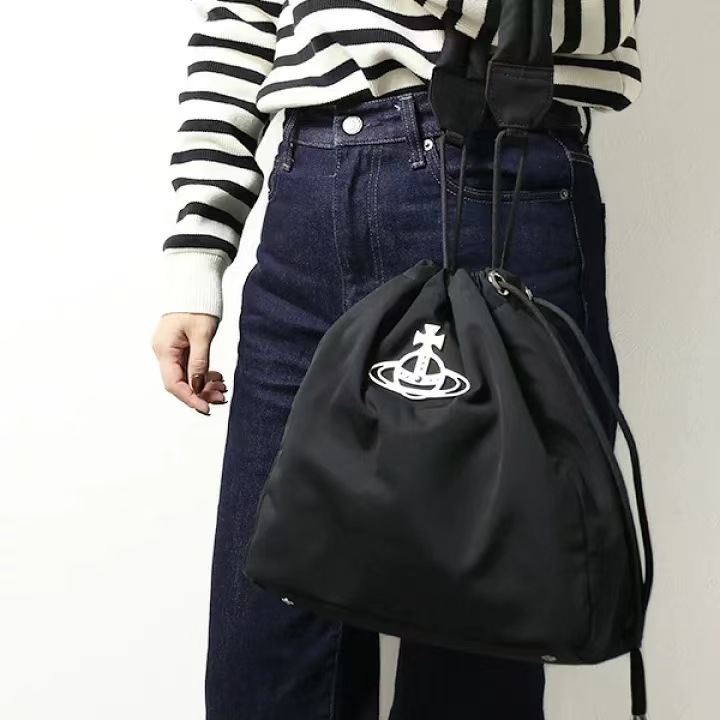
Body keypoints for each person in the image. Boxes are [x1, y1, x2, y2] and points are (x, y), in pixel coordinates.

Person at [151, 2, 643, 718]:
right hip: (309, 192)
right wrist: (199, 251)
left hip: (493, 178)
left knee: (475, 657)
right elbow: (242, 22)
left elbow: (594, 18)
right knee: (264, 658)